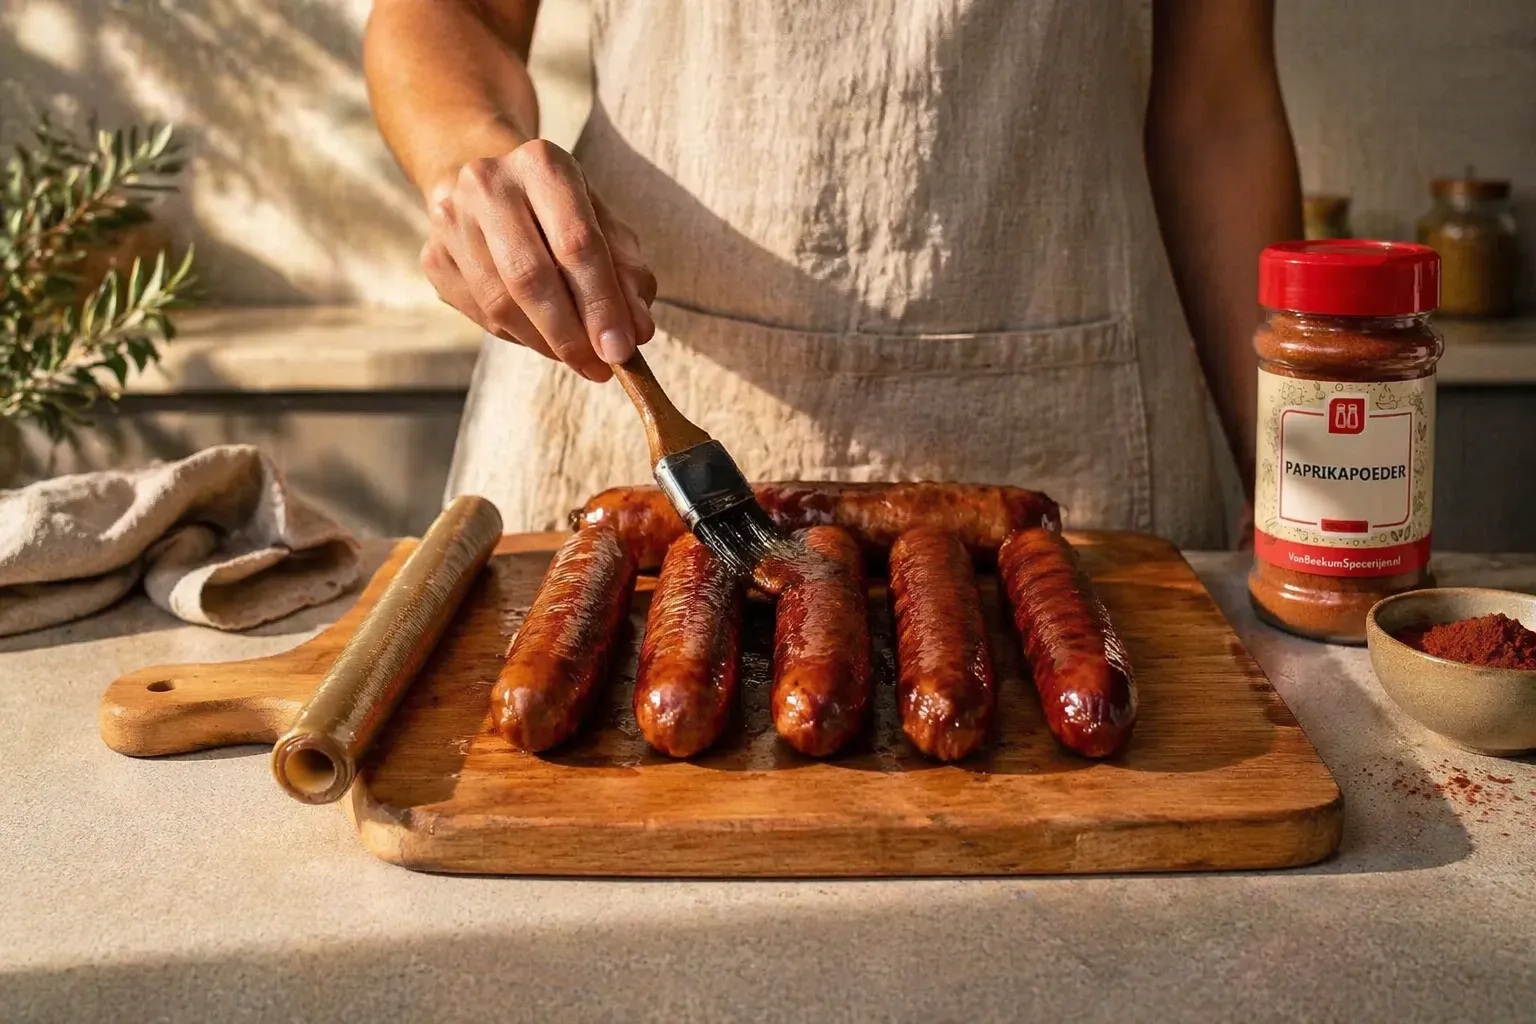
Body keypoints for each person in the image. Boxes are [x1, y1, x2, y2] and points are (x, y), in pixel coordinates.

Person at [364, 0, 1301, 549]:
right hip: (641, 383)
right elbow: (456, 16)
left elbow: (1217, 112)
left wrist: (1302, 482)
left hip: (1083, 429)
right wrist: (467, 157)